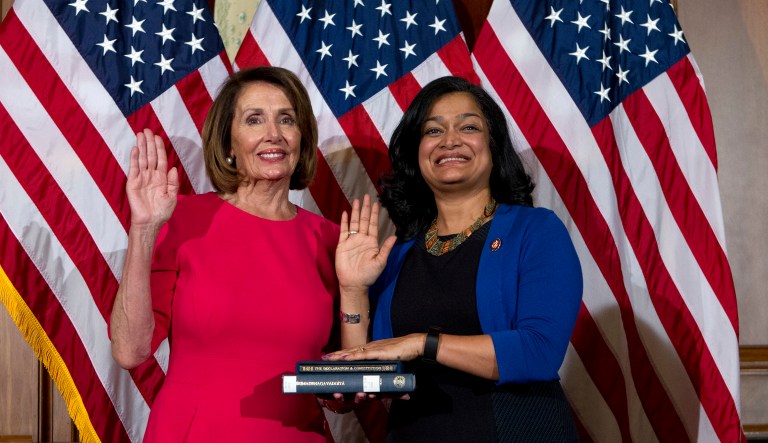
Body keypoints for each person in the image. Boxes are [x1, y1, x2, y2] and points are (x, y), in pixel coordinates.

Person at [328, 76, 583, 442]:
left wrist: (424, 343)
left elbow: (539, 351)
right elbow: (371, 373)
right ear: (417, 152)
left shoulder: (536, 231)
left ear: (493, 146)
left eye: (468, 126)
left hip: (513, 431)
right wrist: (353, 290)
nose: (450, 140)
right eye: (433, 130)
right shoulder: (398, 253)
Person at [109, 67, 340, 442]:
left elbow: (342, 387)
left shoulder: (331, 239)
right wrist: (144, 229)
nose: (274, 134)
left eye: (287, 119)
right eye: (254, 120)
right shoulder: (183, 219)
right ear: (229, 143)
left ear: (302, 138)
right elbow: (130, 350)